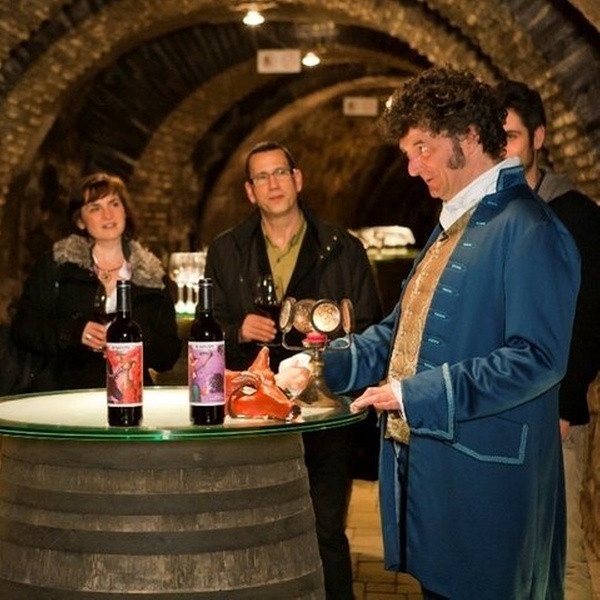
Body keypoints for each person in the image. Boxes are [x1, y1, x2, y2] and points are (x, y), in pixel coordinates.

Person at [315, 67, 581, 599]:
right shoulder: (454, 222)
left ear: (469, 136)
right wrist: (320, 365)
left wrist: (413, 395)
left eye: (422, 148)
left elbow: (537, 357)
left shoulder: (529, 227)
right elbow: (402, 331)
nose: (412, 168)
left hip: (490, 488)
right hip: (444, 479)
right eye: (407, 153)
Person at [204, 141, 382, 599]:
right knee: (254, 528)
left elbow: (370, 328)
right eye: (261, 177)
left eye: (280, 172)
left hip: (324, 411)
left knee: (325, 530)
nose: (273, 184)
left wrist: (330, 353)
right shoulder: (226, 250)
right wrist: (237, 330)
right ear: (250, 191)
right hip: (254, 416)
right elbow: (206, 331)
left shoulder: (342, 248)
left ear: (298, 179)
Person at [495, 79, 600, 600]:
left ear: (538, 137)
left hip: (550, 412)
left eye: (511, 137)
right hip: (496, 410)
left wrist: (565, 401)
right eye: (493, 140)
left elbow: (590, 316)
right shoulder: (485, 212)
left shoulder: (576, 215)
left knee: (562, 553)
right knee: (506, 551)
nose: (503, 151)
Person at [12, 172, 181, 391]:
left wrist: (135, 343)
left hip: (130, 393)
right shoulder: (57, 265)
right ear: (80, 221)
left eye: (114, 204)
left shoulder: (152, 276)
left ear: (125, 211)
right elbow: (24, 328)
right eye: (95, 208)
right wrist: (73, 333)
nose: (107, 215)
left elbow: (168, 354)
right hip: (65, 394)